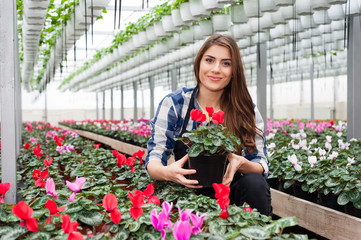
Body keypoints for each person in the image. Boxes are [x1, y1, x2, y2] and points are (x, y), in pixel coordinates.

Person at [145, 34, 272, 216]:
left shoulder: (245, 109)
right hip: (184, 189)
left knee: (255, 183)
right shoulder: (175, 104)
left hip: (228, 192)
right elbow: (155, 157)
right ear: (199, 64)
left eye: (226, 63)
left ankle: (260, 232)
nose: (216, 69)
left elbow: (259, 162)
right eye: (209, 60)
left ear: (234, 70)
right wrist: (168, 172)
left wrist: (241, 163)